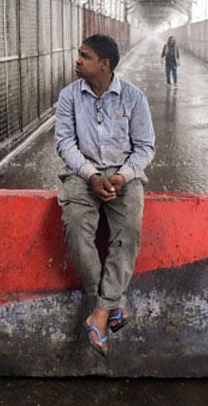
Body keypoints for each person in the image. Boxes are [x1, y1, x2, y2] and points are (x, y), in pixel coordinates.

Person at [55, 34, 155, 356]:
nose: (78, 60)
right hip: (83, 175)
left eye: (85, 56)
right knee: (75, 227)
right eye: (79, 54)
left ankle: (99, 312)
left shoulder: (134, 98)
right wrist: (91, 175)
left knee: (129, 231)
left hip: (123, 176)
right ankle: (112, 304)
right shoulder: (69, 97)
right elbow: (65, 144)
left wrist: (123, 175)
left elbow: (145, 147)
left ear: (105, 64)